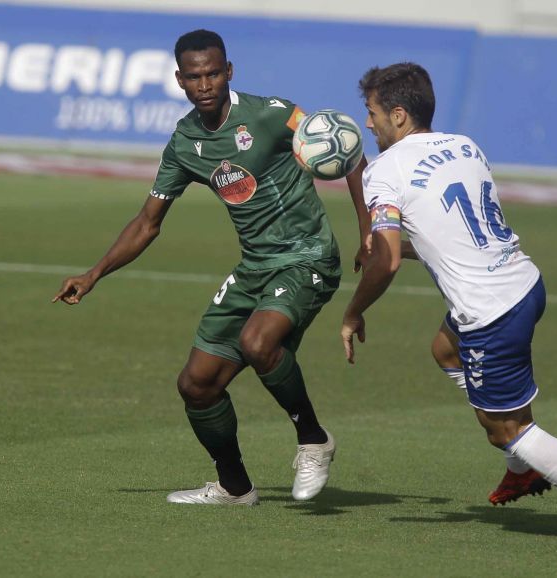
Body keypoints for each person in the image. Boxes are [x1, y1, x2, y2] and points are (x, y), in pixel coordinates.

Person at [54, 29, 370, 506]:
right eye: (195, 76)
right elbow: (147, 223)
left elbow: (348, 151)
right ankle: (234, 487)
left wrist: (368, 230)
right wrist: (93, 273)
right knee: (196, 384)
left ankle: (313, 439)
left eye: (214, 74)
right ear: (180, 79)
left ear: (229, 72)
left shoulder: (272, 114)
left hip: (307, 256)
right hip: (256, 266)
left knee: (257, 342)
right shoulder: (184, 143)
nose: (206, 84)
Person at [340, 62, 557, 542]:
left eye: (373, 112)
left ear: (398, 115)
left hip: (490, 311)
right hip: (524, 283)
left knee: (507, 428)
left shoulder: (384, 170)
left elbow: (387, 265)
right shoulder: (466, 146)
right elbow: (446, 235)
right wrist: (387, 246)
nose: (369, 122)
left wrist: (354, 310)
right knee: (445, 350)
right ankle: (520, 469)